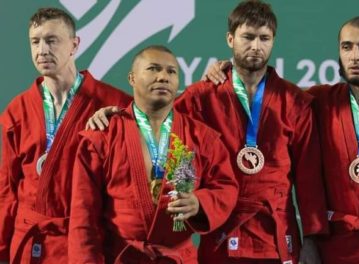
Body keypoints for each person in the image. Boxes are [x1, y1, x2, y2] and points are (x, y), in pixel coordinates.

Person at [87, 1, 328, 263]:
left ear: (273, 41)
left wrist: (312, 239)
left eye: (264, 38)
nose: (256, 46)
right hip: (222, 226)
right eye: (247, 37)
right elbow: (156, 118)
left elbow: (309, 179)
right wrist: (116, 116)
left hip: (276, 230)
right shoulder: (202, 96)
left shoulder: (294, 101)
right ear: (230, 39)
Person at [205, 16, 359, 264]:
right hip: (334, 249)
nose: (355, 56)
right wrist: (228, 72)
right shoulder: (318, 102)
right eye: (346, 47)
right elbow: (266, 95)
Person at [68, 45, 238, 263]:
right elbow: (84, 219)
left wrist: (200, 203)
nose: (163, 77)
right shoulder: (103, 136)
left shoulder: (200, 137)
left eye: (171, 72)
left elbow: (226, 185)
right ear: (132, 78)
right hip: (122, 257)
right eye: (153, 69)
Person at [0, 7, 131, 264]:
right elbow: (7, 188)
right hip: (30, 242)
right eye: (35, 42)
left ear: (74, 45)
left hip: (85, 241)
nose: (42, 51)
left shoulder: (114, 104)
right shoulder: (18, 109)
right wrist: (2, 247)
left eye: (51, 40)